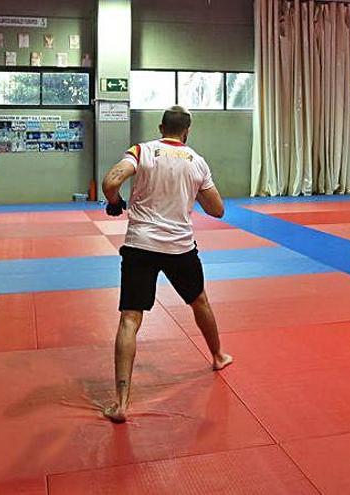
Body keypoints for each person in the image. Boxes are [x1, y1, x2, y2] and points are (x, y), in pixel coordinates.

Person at [100, 105, 233, 424]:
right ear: (187, 131)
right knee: (199, 301)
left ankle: (121, 403)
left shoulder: (142, 151)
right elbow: (218, 210)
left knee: (130, 318)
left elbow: (111, 180)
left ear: (161, 127)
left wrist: (115, 202)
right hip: (179, 248)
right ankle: (217, 356)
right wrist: (193, 190)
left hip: (140, 245)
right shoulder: (196, 161)